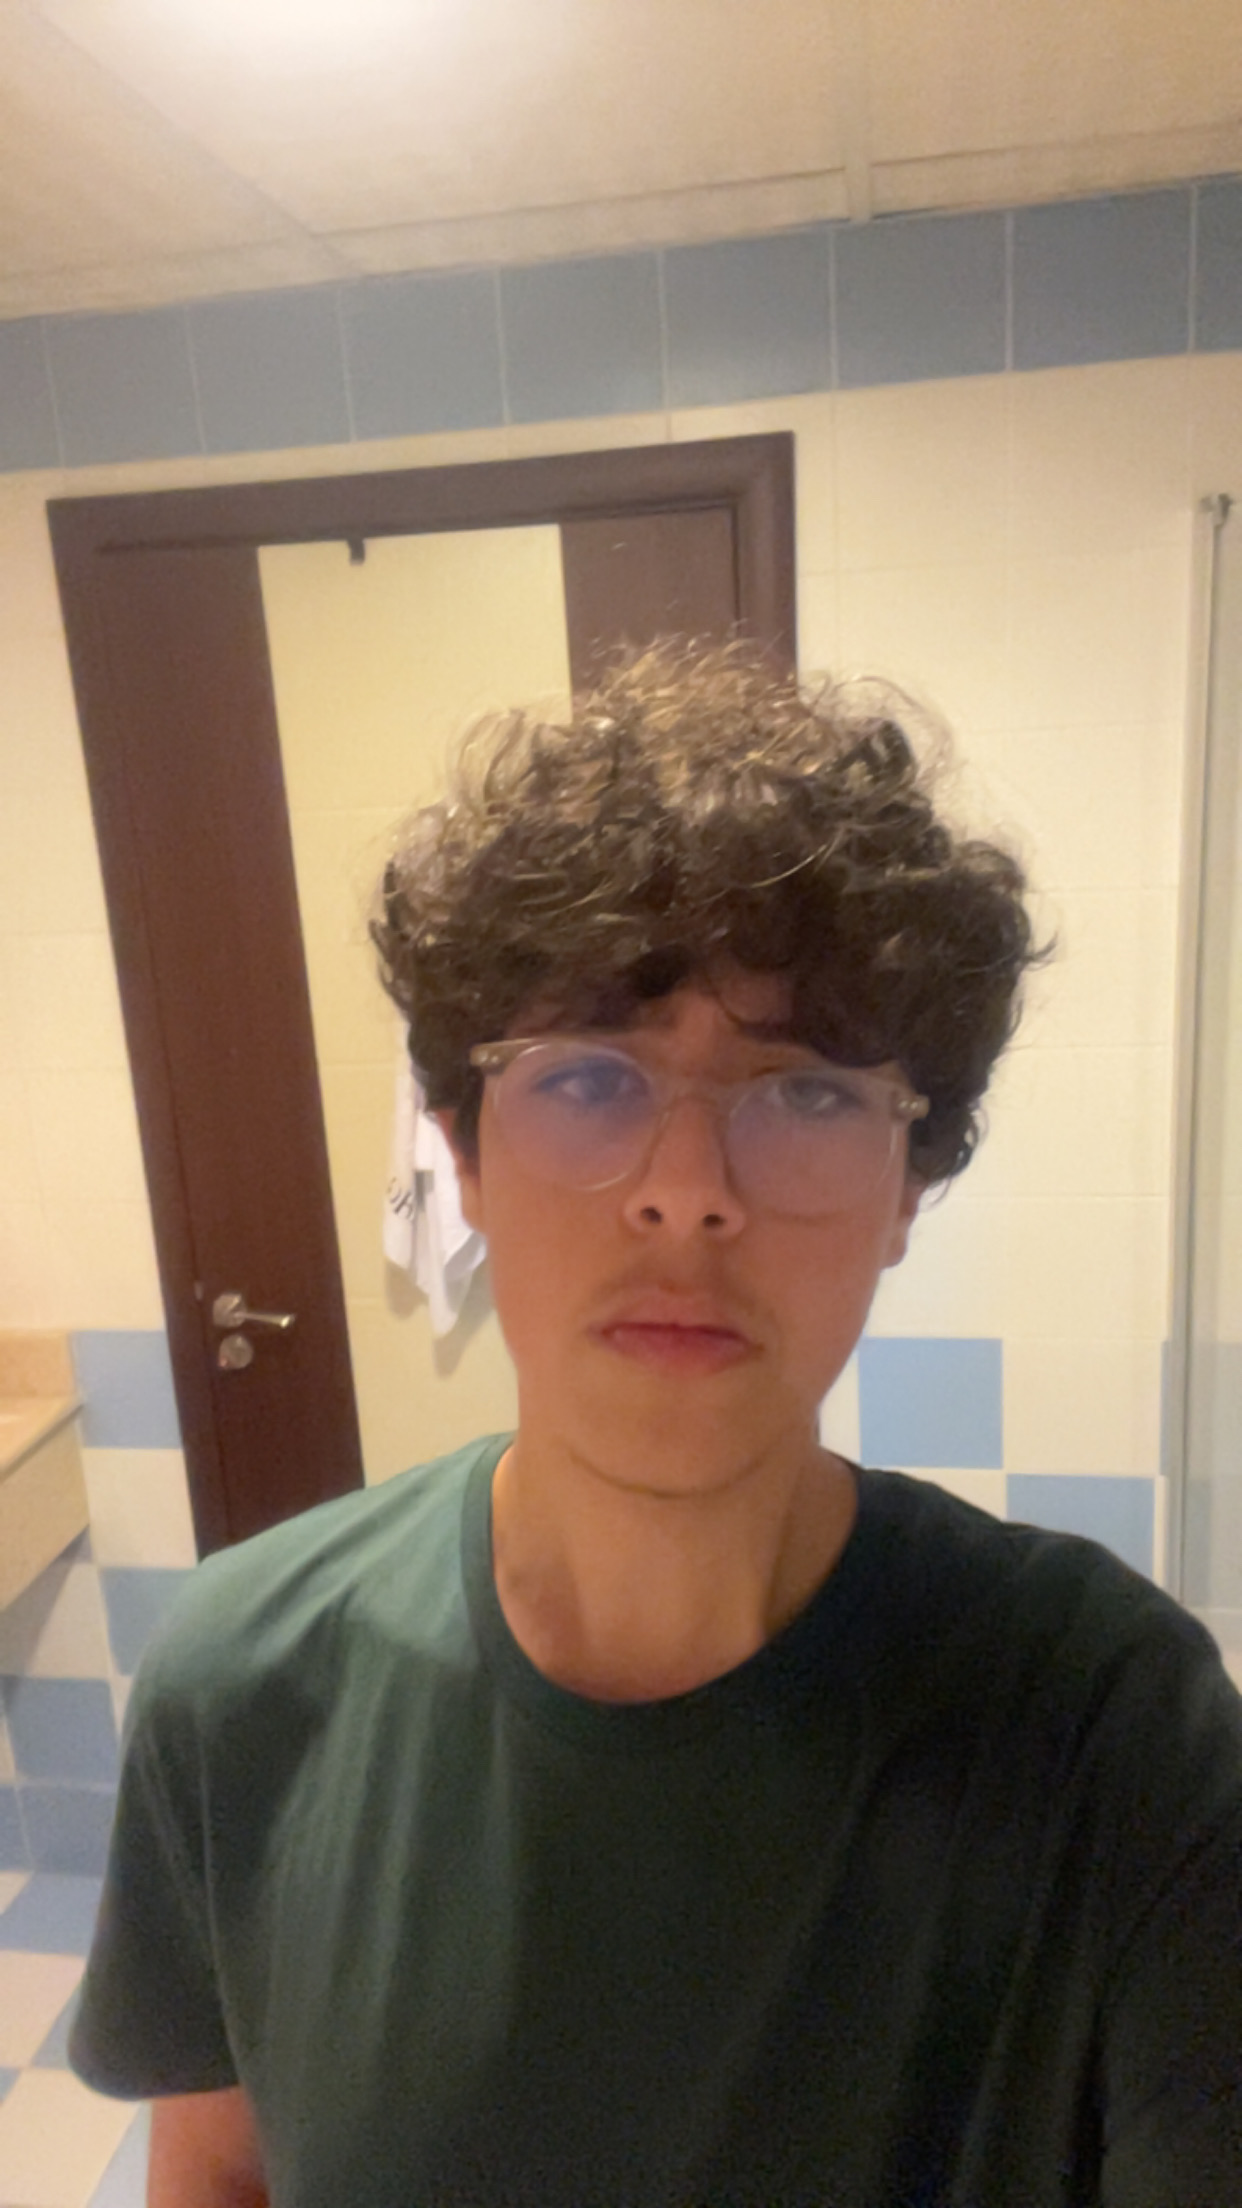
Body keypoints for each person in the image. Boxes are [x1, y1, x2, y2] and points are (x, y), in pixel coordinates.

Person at [71, 643, 1242, 2206]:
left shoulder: (1111, 1735)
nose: (686, 1189)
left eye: (807, 1093)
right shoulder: (240, 1686)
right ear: (463, 1156)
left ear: (908, 1188)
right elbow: (219, 2177)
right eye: (586, 1082)